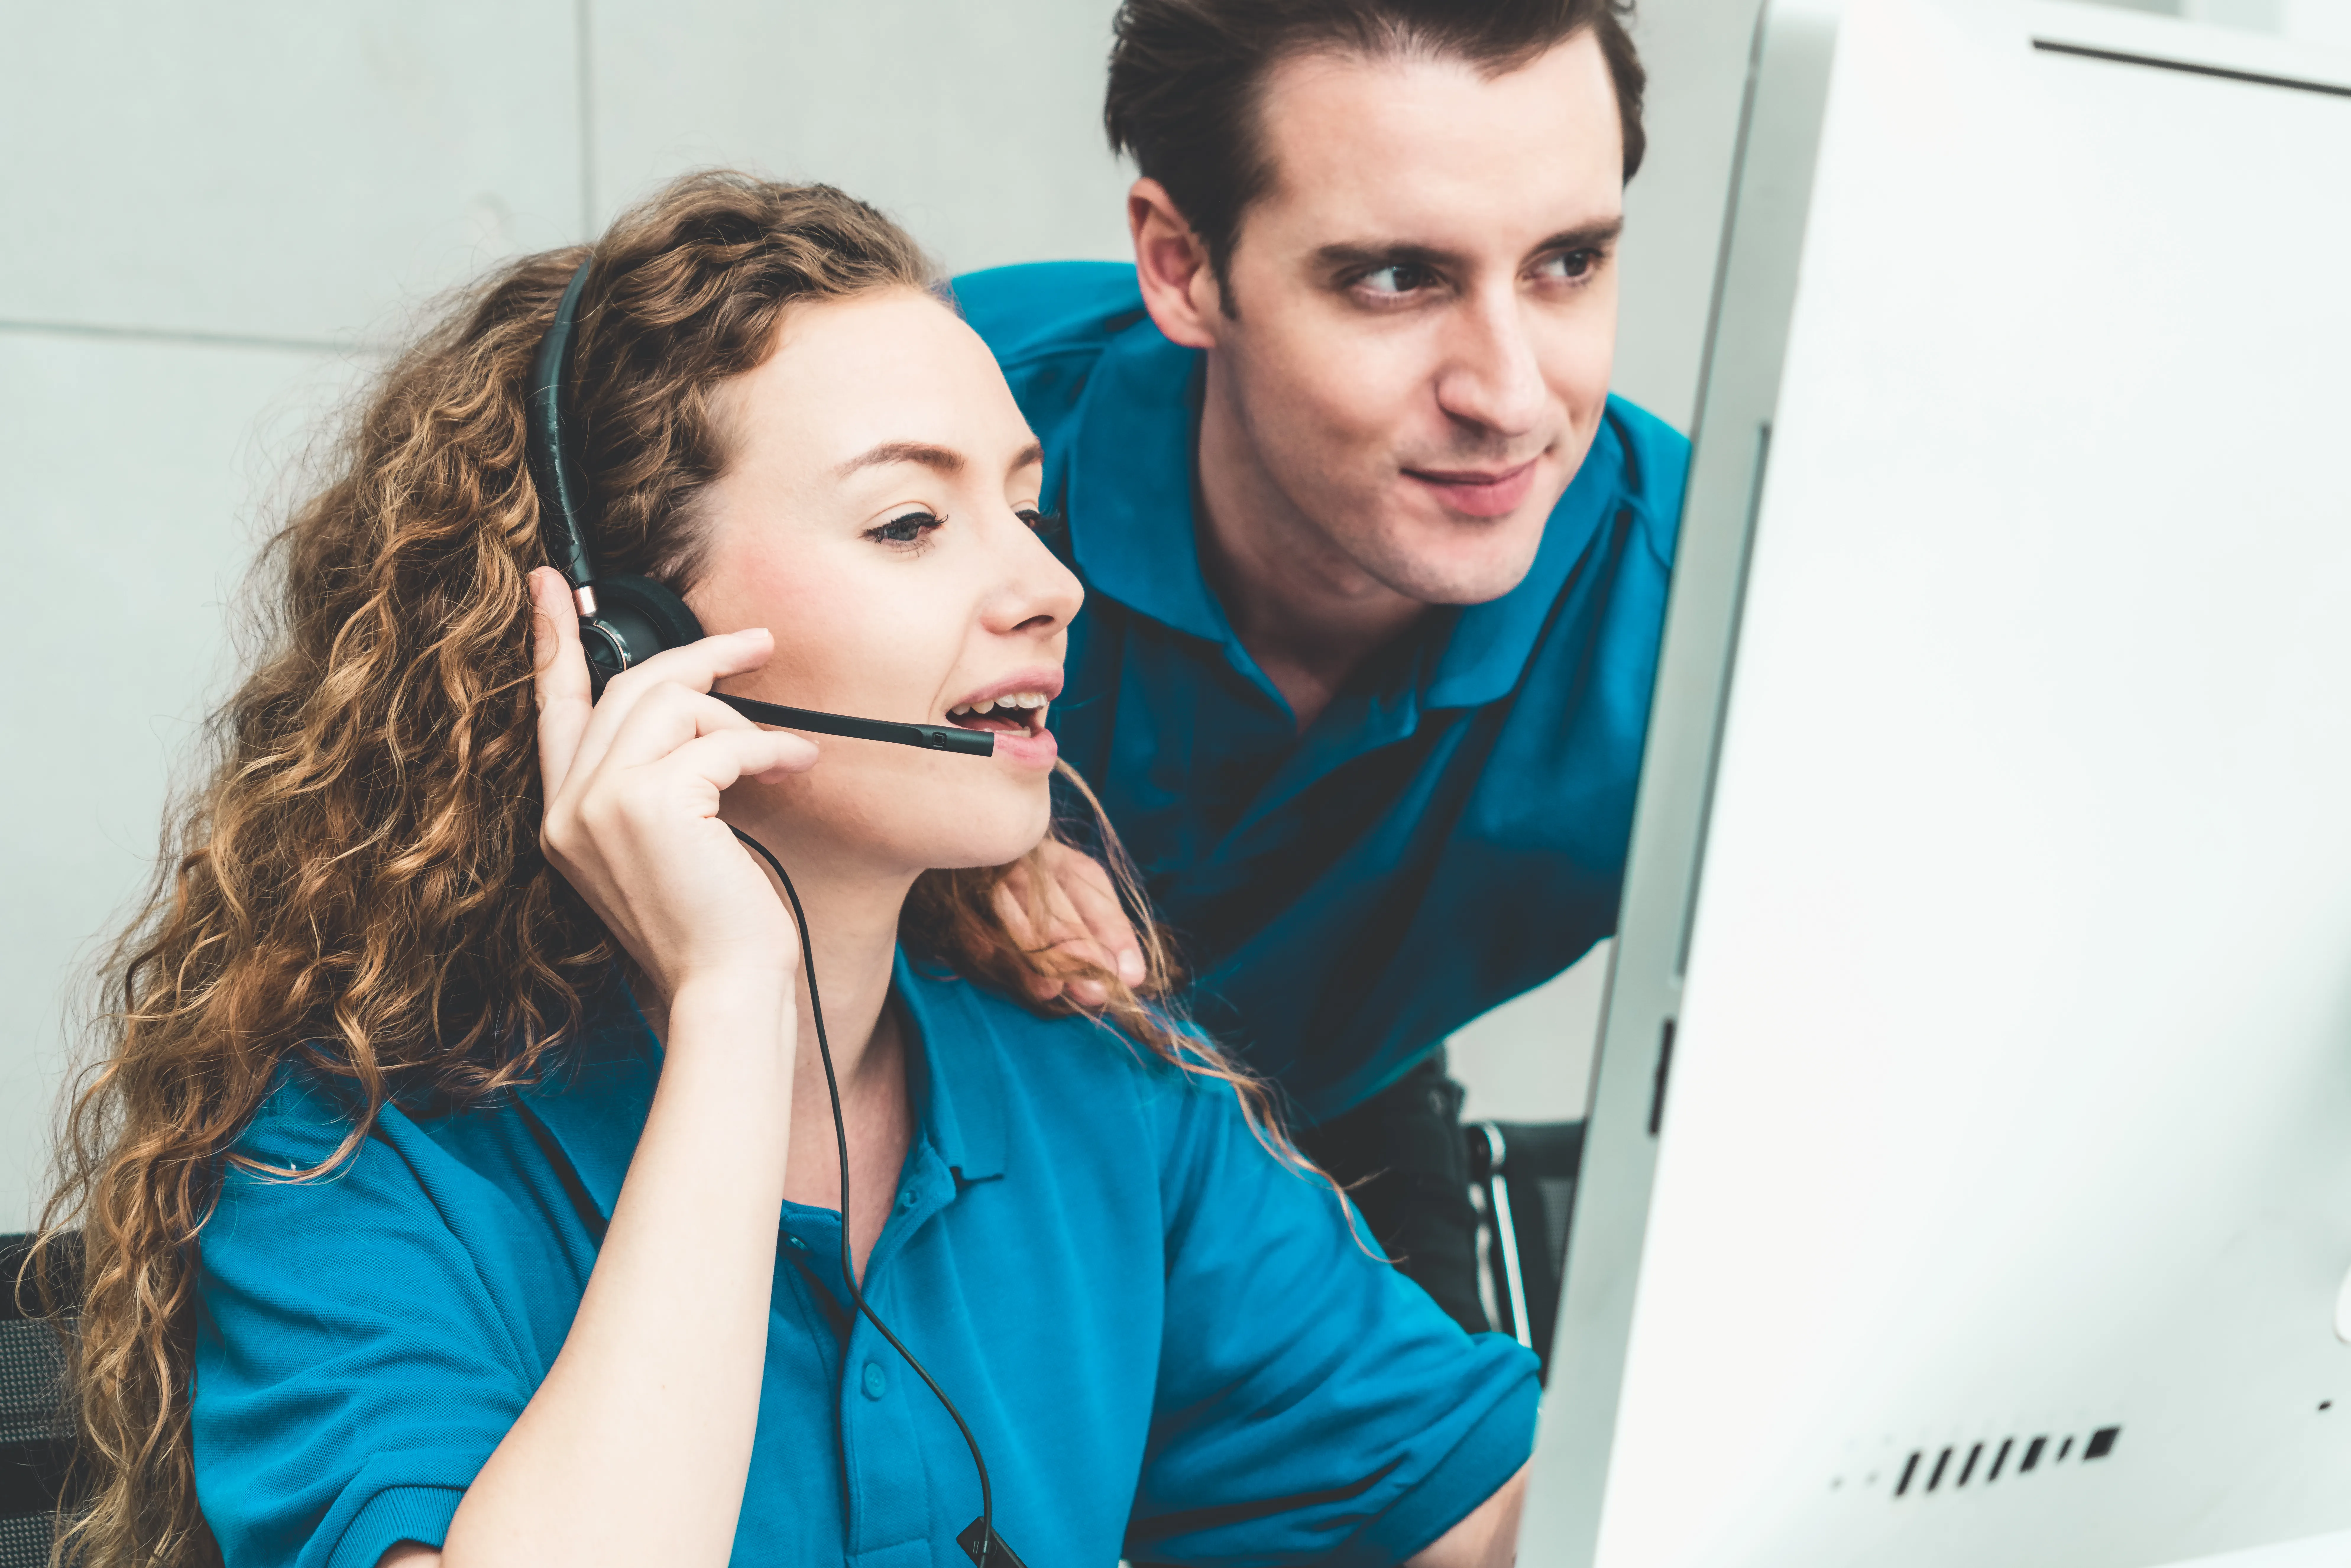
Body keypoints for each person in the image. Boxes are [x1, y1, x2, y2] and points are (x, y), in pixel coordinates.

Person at [33, 174, 1537, 1568]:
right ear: (630, 636)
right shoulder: (356, 1164)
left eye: (1023, 504)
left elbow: (1500, 1516)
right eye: (908, 522)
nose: (1047, 585)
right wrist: (734, 996)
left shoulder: (1101, 1084)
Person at [955, 0, 1689, 1335]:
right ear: (1181, 268)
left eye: (1567, 262)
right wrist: (913, 851)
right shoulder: (940, 429)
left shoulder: (1712, 614)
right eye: (1396, 279)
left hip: (1322, 1100)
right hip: (891, 1109)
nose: (1511, 397)